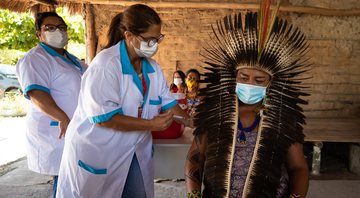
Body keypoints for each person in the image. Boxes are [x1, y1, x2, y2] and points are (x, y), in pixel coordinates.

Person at [56, 4, 190, 198]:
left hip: (134, 151)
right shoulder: (106, 65)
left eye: (158, 38)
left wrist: (191, 121)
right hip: (99, 151)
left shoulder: (152, 68)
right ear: (129, 35)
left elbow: (169, 103)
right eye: (149, 39)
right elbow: (105, 118)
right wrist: (151, 124)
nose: (154, 44)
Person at [185, 10, 310, 198]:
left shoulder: (282, 118)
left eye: (259, 80)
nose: (250, 84)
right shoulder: (216, 112)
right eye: (244, 77)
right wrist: (193, 194)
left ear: (270, 83)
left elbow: (298, 167)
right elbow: (195, 159)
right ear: (234, 76)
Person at [15, 12, 87, 198]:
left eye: (62, 27)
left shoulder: (73, 60)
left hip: (75, 128)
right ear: (39, 34)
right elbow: (37, 94)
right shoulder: (35, 58)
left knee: (74, 180)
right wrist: (62, 118)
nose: (58, 31)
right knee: (64, 180)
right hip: (56, 129)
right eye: (50, 28)